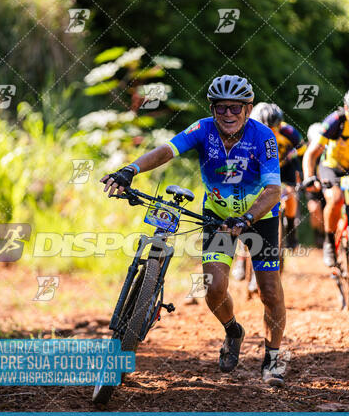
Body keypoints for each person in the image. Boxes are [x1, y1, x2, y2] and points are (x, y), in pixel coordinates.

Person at [101, 74, 287, 387]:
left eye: (236, 108)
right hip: (216, 215)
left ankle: (273, 357)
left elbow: (272, 190)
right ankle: (232, 330)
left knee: (269, 290)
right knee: (214, 287)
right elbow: (166, 150)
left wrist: (247, 219)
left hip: (261, 216)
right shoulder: (203, 129)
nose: (228, 114)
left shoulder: (264, 137)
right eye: (221, 108)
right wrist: (129, 170)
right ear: (213, 109)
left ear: (248, 108)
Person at [250, 103, 306, 249]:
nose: (270, 132)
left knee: (290, 194)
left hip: (285, 165)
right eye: (265, 128)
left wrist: (291, 156)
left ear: (280, 125)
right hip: (260, 167)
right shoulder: (248, 133)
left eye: (274, 129)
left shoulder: (289, 132)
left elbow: (302, 148)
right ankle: (242, 260)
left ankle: (291, 228)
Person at [303, 93, 349, 266]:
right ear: (346, 108)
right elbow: (311, 153)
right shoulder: (335, 121)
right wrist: (309, 177)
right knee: (336, 199)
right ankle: (329, 242)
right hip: (331, 167)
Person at [305, 123, 325, 248]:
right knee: (314, 208)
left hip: (328, 182)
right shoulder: (307, 151)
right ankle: (318, 234)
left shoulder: (329, 148)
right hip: (313, 187)